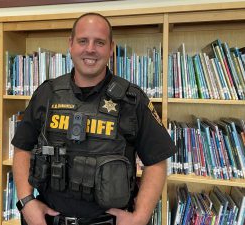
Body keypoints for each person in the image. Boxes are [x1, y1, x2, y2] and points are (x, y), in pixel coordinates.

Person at [12, 12, 176, 225]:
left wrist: (141, 216)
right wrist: (26, 201)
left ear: (111, 48)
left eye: (99, 42)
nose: (90, 49)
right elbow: (22, 147)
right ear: (70, 44)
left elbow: (156, 162)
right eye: (83, 41)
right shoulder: (47, 93)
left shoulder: (132, 99)